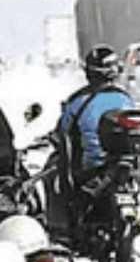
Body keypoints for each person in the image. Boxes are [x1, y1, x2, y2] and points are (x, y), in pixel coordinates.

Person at [53, 45, 135, 224]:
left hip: (92, 171)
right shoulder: (125, 99)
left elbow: (63, 135)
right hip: (129, 169)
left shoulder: (78, 101)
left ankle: (68, 228)